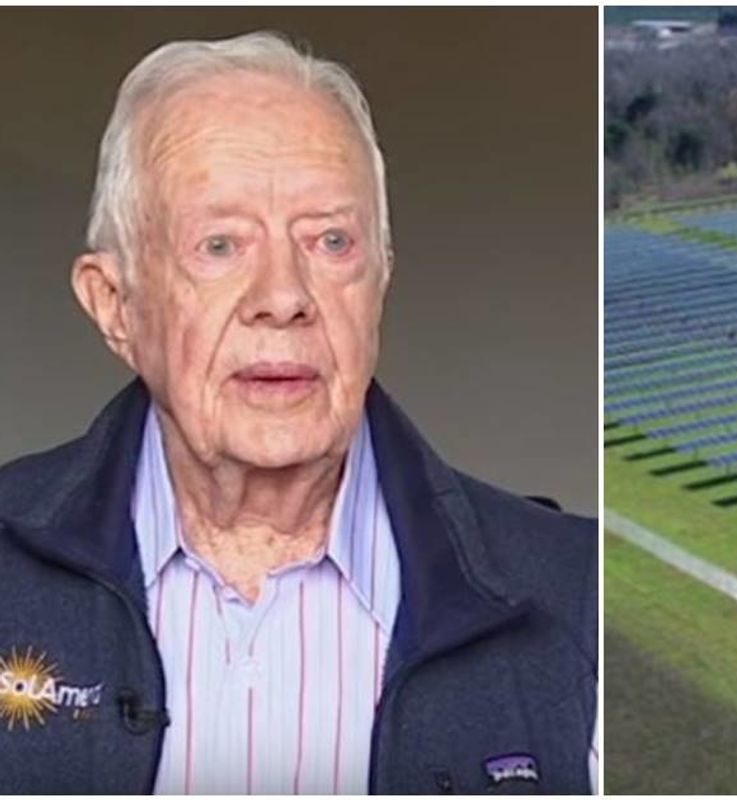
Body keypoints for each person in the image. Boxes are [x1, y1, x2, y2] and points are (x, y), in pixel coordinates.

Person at [0, 32, 597, 794]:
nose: (283, 296)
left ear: (380, 280)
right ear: (115, 306)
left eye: (331, 241)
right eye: (220, 245)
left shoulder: (576, 595)